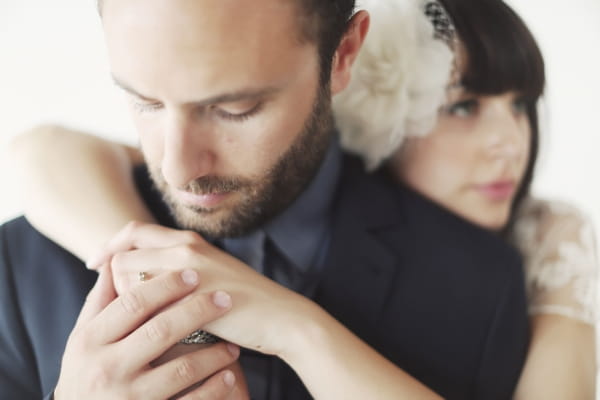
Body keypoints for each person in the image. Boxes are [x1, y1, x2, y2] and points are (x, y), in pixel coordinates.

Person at [0, 0, 532, 399]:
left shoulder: (479, 289)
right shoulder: (21, 266)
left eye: (235, 109)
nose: (178, 167)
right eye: (145, 102)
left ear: (343, 55)